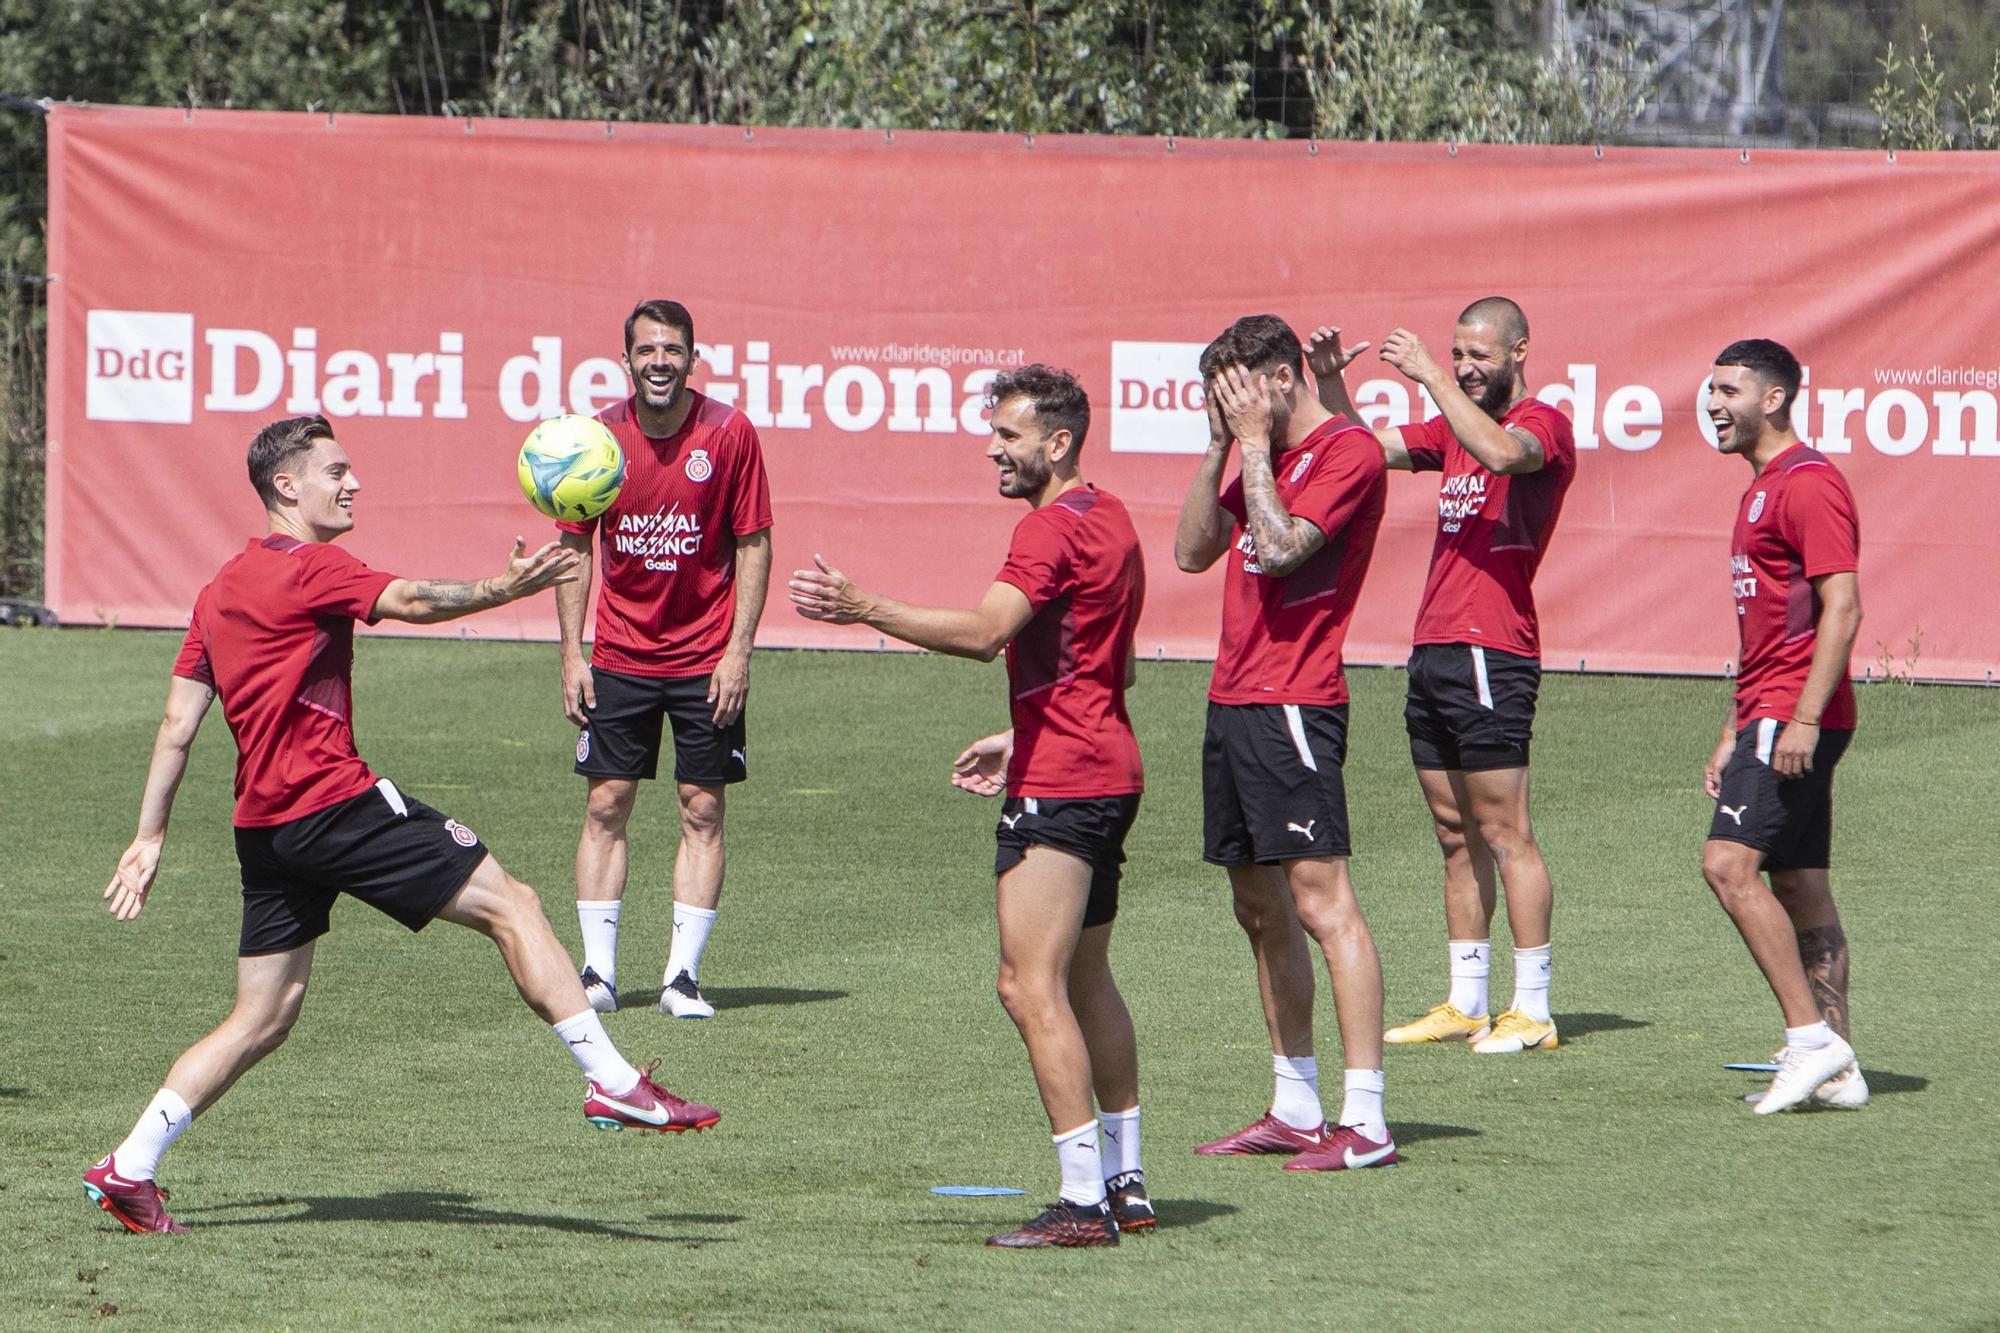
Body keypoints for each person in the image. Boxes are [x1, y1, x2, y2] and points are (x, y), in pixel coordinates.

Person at [86, 416, 717, 1236]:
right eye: (336, 470)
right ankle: (615, 1082)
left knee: (264, 1018)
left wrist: (150, 836)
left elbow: (178, 723)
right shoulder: (313, 566)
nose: (353, 484)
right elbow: (412, 599)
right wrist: (503, 588)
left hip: (265, 828)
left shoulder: (218, 588)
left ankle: (129, 1167)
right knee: (514, 903)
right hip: (335, 803)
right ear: (288, 485)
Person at [789, 365, 1149, 1247]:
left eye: (1009, 435)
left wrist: (861, 604)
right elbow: (1115, 670)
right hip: (1105, 769)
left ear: (1056, 443)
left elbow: (987, 633)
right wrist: (1019, 733)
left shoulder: (1044, 530)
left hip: (1063, 786)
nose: (992, 446)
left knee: (1027, 987)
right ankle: (1125, 1180)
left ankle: (1080, 1202)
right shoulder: (1112, 517)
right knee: (1085, 977)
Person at [1307, 299, 1576, 1055]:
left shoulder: (1541, 422)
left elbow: (1501, 454)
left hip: (1495, 651)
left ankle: (1535, 1007)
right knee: (1454, 836)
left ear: (1520, 349)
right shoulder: (1456, 426)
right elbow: (1361, 450)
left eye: (1477, 355)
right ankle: (1467, 1000)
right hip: (1434, 649)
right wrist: (1331, 388)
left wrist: (1427, 376)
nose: (1463, 367)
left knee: (1505, 833)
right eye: (1455, 354)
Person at [1174, 315, 1396, 1173]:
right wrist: (1215, 449)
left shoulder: (1347, 453)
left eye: (1236, 389)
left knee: (1321, 902)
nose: (1229, 406)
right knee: (1258, 908)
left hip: (1295, 702)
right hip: (1234, 700)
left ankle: (1367, 1118)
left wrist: (1257, 446)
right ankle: (1296, 1103)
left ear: (1279, 376)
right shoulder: (1255, 453)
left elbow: (1278, 546)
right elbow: (1194, 551)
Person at [556, 299, 773, 1019]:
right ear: (625, 360)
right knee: (606, 803)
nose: (659, 361)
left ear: (692, 357)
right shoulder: (597, 440)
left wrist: (738, 652)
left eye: (672, 350)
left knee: (702, 809)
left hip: (706, 658)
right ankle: (596, 973)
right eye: (646, 349)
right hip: (618, 656)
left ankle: (682, 978)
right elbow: (574, 549)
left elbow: (753, 544)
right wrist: (571, 652)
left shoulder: (730, 432)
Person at [1700, 339, 1867, 1113]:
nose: (1713, 403)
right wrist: (1737, 726)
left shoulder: (1808, 483)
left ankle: (1810, 1040)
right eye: (1711, 388)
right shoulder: (1762, 487)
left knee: (1729, 867)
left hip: (1795, 714)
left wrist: (1797, 716)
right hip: (1767, 712)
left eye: (1729, 389)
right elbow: (1769, 626)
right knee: (1798, 882)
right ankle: (1838, 1063)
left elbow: (1843, 605)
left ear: (1773, 398)